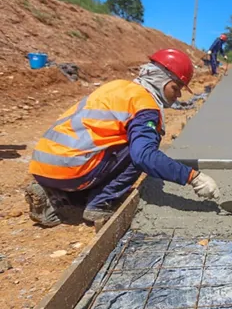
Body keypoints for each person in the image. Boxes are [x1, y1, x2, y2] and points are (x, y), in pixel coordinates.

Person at [25, 48, 220, 227]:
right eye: (176, 88)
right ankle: (100, 203)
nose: (178, 96)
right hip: (73, 170)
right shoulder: (145, 105)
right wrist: (193, 176)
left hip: (44, 165)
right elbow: (144, 157)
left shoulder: (118, 87)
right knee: (141, 152)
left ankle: (57, 196)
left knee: (119, 142)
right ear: (163, 81)